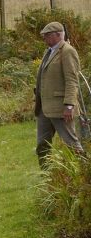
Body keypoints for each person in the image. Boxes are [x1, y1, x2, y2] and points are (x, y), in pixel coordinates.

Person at [35, 21, 85, 164]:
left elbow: (72, 80)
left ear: (57, 35)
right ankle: (48, 178)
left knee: (71, 144)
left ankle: (83, 174)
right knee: (42, 146)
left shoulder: (67, 51)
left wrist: (69, 105)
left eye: (46, 35)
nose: (44, 38)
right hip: (44, 108)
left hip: (61, 108)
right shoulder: (48, 52)